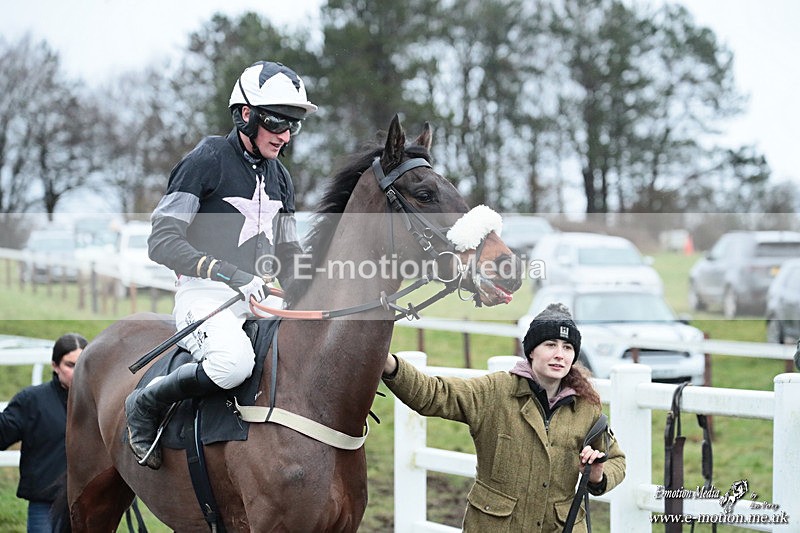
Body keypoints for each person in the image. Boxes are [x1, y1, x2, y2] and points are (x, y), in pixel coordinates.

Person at [125, 60, 317, 470]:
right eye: (276, 122)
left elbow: (288, 254)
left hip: (262, 296)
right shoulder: (207, 158)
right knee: (234, 364)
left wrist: (325, 284)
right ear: (245, 115)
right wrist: (229, 273)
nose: (285, 136)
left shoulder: (281, 177)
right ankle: (146, 400)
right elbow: (161, 242)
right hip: (205, 295)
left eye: (293, 126)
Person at [382, 303, 626, 532]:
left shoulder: (586, 407)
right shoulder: (495, 391)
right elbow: (434, 394)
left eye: (567, 347)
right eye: (550, 344)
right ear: (531, 351)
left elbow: (617, 460)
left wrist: (597, 474)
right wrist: (386, 362)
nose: (560, 354)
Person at [0, 333, 87, 533]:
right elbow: (2, 434)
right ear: (55, 366)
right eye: (70, 365)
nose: (77, 372)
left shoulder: (100, 403)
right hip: (45, 505)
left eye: (82, 364)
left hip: (90, 505)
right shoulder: (31, 401)